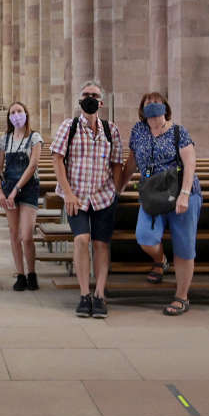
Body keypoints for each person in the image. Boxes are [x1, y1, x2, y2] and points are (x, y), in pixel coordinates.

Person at [118, 93, 201, 315]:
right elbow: (132, 161)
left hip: (180, 192)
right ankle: (160, 259)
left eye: (157, 103)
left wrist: (184, 193)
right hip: (153, 194)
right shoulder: (139, 131)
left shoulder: (178, 131)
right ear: (142, 110)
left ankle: (181, 297)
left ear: (165, 106)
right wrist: (120, 186)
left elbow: (190, 163)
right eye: (148, 104)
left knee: (184, 246)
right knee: (145, 237)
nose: (153, 108)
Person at [51, 80, 124, 319]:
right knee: (82, 240)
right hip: (77, 197)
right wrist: (68, 193)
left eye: (94, 94)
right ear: (79, 100)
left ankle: (100, 294)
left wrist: (116, 190)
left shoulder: (110, 129)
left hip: (103, 196)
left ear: (101, 101)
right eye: (85, 94)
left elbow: (116, 163)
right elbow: (58, 160)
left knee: (101, 244)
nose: (89, 98)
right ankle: (84, 294)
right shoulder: (68, 127)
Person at [0, 102, 42, 291]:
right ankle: (20, 274)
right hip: (8, 188)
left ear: (26, 114)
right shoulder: (5, 139)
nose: (16, 115)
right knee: (14, 234)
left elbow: (33, 165)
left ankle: (32, 272)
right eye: (12, 112)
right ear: (9, 117)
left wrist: (16, 190)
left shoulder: (34, 137)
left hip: (28, 187)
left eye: (19, 111)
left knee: (27, 235)